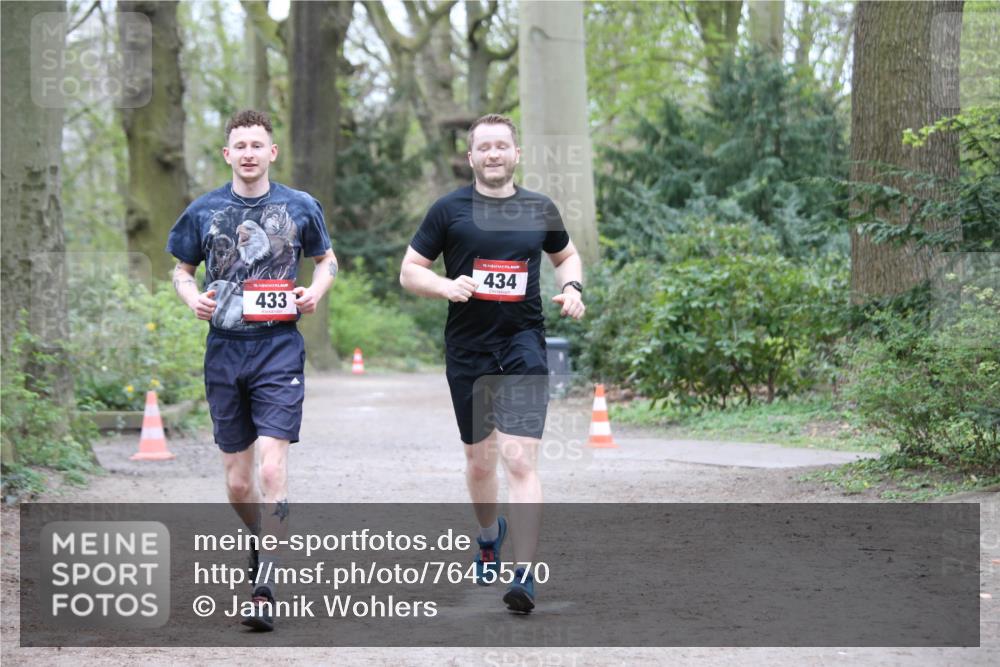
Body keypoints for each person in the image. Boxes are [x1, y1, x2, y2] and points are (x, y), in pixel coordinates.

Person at [399, 113, 585, 613]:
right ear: (471, 157)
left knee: (519, 459)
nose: (494, 154)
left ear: (516, 154)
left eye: (502, 145)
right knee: (480, 461)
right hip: (468, 349)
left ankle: (524, 574)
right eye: (484, 147)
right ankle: (488, 536)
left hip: (523, 343)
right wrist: (445, 285)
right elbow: (410, 271)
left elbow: (566, 256)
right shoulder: (449, 211)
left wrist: (572, 287)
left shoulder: (538, 208)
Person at [167, 109, 338, 632]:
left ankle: (265, 585)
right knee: (240, 483)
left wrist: (315, 291)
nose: (248, 153)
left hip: (278, 348)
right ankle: (260, 538)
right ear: (227, 154)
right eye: (239, 145)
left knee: (270, 469)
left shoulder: (300, 205)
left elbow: (327, 260)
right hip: (224, 349)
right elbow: (181, 270)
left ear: (271, 152)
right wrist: (192, 298)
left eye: (256, 145)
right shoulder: (204, 210)